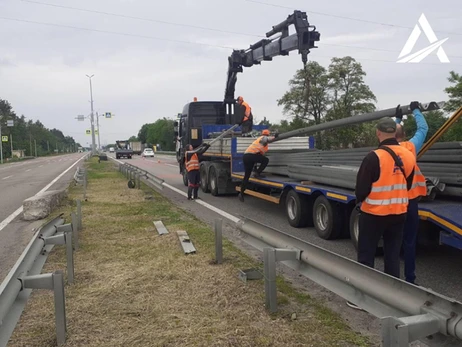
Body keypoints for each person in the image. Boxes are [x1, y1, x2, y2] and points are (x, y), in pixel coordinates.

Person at [355, 117, 416, 279]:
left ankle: (363, 294)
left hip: (373, 214)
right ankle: (391, 296)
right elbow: (407, 185)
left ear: (378, 133)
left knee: (366, 256)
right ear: (395, 133)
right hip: (398, 214)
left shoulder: (373, 157)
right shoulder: (409, 156)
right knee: (392, 257)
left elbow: (361, 190)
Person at [395, 101, 428, 284]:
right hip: (410, 202)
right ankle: (410, 279)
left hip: (392, 203)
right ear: (405, 136)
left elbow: (392, 132)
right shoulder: (410, 147)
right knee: (409, 241)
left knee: (393, 240)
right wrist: (415, 110)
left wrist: (397, 118)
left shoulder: (385, 149)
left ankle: (390, 278)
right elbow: (423, 128)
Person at [238, 129, 276, 202]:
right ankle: (257, 173)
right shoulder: (263, 138)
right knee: (265, 160)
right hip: (251, 156)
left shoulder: (258, 141)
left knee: (247, 176)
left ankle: (241, 193)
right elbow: (267, 139)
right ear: (267, 134)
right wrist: (275, 137)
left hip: (246, 156)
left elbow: (257, 154)